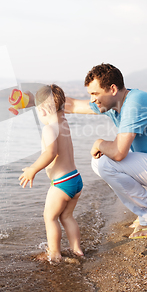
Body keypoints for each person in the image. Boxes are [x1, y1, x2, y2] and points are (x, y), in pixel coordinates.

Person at [64, 63, 147, 239]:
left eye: (95, 93)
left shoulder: (135, 102)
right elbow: (71, 105)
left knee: (104, 161)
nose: (92, 99)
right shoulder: (113, 104)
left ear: (112, 89)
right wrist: (34, 99)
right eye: (90, 94)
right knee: (106, 162)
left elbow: (118, 153)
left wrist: (99, 143)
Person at [19, 84, 84, 262]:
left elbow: (50, 153)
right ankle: (77, 249)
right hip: (75, 180)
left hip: (62, 183)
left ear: (43, 111)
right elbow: (55, 106)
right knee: (67, 216)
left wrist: (33, 169)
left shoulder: (49, 129)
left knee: (50, 217)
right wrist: (36, 102)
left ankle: (55, 253)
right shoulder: (63, 122)